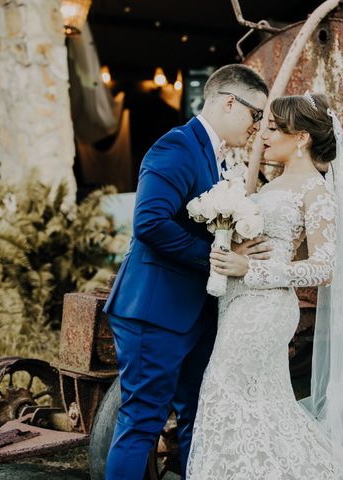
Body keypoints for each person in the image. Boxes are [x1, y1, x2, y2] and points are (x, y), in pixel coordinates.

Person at [186, 92, 343, 479]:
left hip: (266, 308)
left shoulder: (316, 191)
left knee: (225, 394)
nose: (264, 136)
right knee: (257, 405)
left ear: (302, 138)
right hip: (238, 304)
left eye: (274, 129)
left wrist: (251, 270)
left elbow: (324, 268)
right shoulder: (271, 184)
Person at [102, 64, 271, 479]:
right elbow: (150, 223)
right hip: (154, 312)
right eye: (256, 115)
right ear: (230, 102)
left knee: (200, 416)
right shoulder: (176, 147)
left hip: (194, 312)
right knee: (142, 421)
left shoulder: (214, 157)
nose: (258, 127)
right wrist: (213, 257)